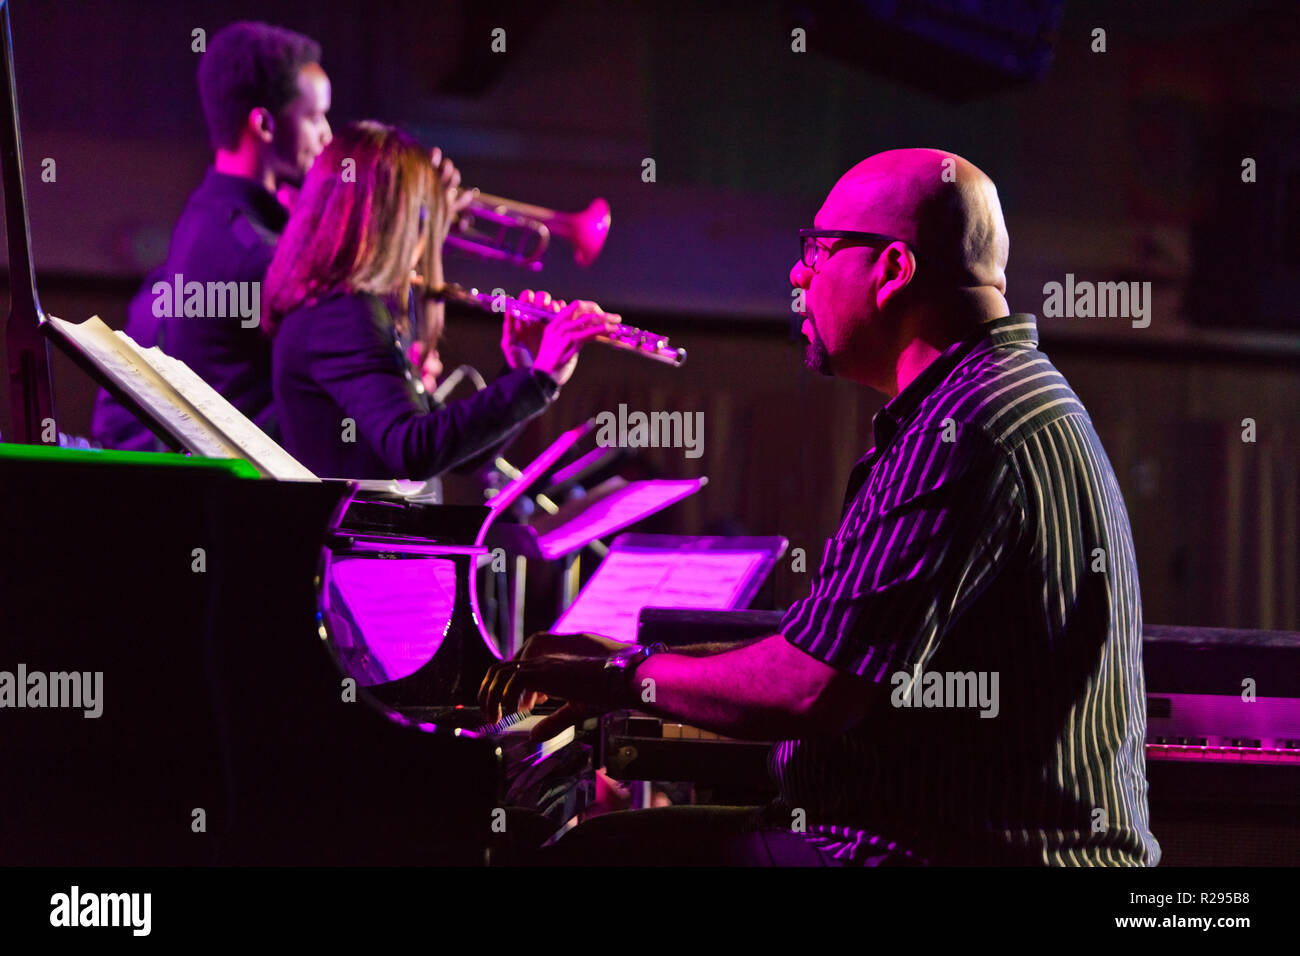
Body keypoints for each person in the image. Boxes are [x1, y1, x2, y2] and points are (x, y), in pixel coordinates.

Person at [480, 148, 1162, 867]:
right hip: (973, 842)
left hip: (938, 854)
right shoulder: (1001, 395)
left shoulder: (965, 426)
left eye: (818, 250)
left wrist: (621, 676)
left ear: (893, 271)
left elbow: (813, 690)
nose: (798, 276)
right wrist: (636, 668)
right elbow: (826, 652)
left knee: (581, 860)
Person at [265, 120, 616, 480]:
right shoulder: (341, 314)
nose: (430, 233)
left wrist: (528, 370)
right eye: (424, 213)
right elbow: (413, 450)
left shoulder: (337, 308)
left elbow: (456, 456)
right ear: (396, 220)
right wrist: (539, 379)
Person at [92, 20, 332, 449]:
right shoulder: (251, 250)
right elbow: (331, 392)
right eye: (314, 117)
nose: (327, 135)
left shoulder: (209, 217)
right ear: (264, 125)